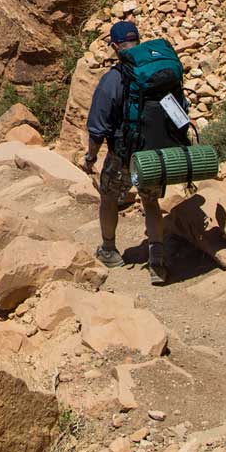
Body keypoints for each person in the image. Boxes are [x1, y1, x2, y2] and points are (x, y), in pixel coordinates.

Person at [82, 20, 170, 285]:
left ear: (115, 47)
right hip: (156, 152)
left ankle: (109, 250)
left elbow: (98, 127)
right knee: (151, 202)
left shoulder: (114, 78)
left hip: (124, 154)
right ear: (138, 42)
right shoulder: (159, 72)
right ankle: (156, 261)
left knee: (109, 198)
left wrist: (91, 157)